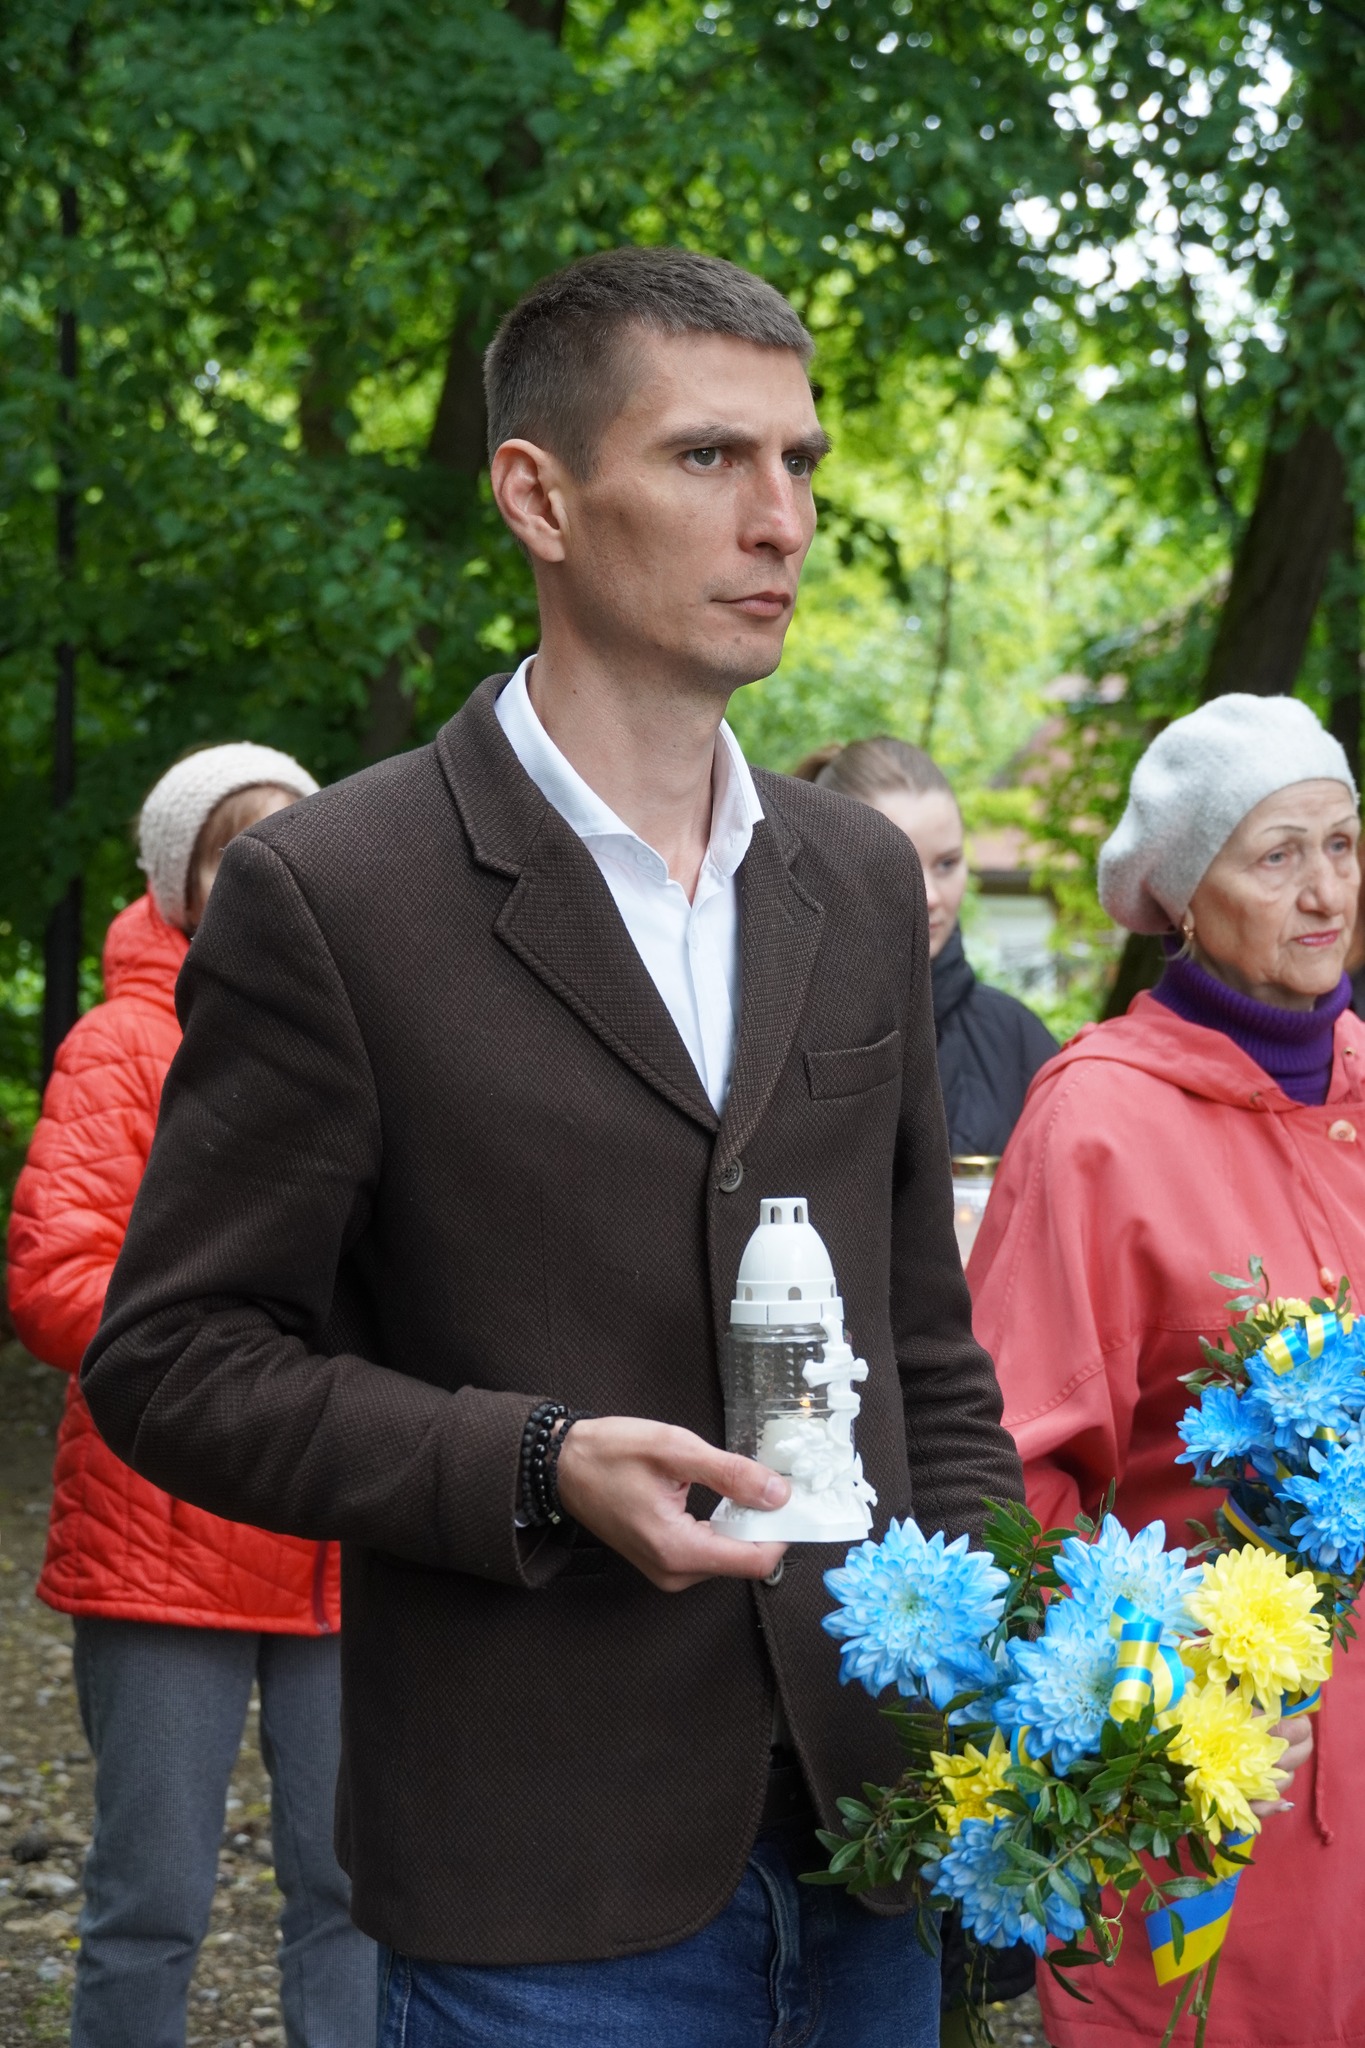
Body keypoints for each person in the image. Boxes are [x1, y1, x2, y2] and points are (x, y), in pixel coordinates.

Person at [79, 247, 1024, 2048]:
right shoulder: (335, 893)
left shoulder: (855, 878)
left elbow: (924, 1346)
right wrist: (533, 1461)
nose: (780, 517)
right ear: (539, 497)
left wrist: (1000, 1666)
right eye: (708, 457)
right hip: (544, 1879)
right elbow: (173, 1359)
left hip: (883, 1838)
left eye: (801, 462)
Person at [968, 692, 1357, 2048]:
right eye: (1277, 855)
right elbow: (1015, 1479)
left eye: (1343, 844)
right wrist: (1147, 1705)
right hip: (1218, 1784)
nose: (1325, 892)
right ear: (1186, 896)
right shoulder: (1096, 1120)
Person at [7, 744, 376, 2048]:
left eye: (293, 840)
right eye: (235, 850)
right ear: (183, 883)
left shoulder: (369, 1026)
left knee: (351, 1889)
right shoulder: (121, 1045)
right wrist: (235, 1357)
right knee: (151, 1897)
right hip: (160, 1530)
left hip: (334, 1521)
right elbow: (54, 1277)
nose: (270, 869)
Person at [792, 738, 1057, 1156]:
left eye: (947, 864)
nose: (931, 895)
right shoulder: (768, 1031)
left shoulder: (1017, 1036)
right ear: (827, 865)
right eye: (900, 865)